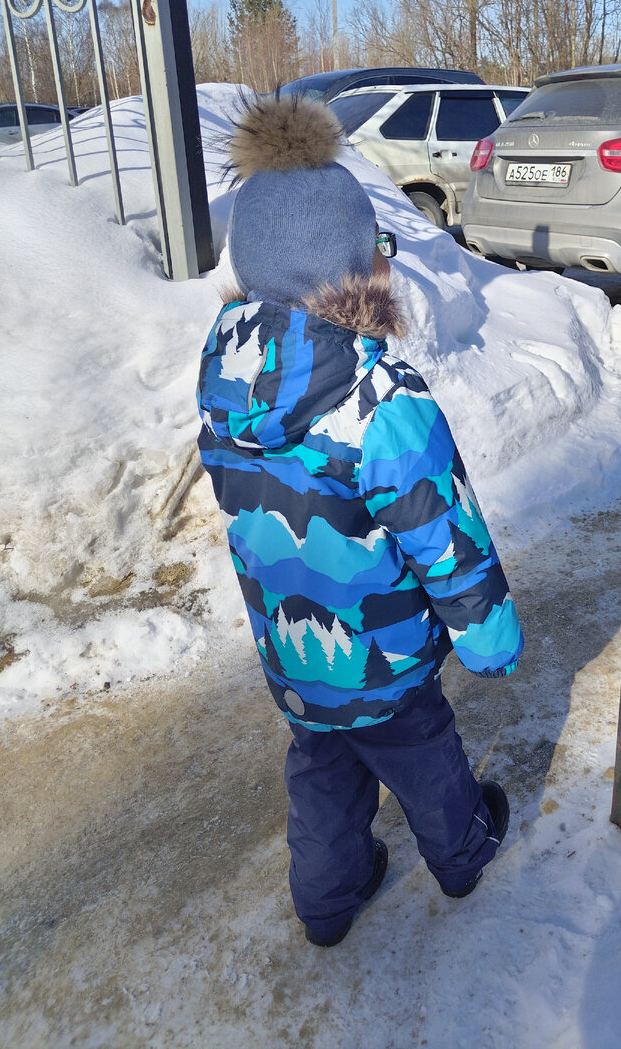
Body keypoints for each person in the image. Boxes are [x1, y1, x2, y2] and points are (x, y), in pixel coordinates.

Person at [196, 94, 524, 947]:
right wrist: (489, 638)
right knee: (429, 764)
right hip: (386, 665)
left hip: (297, 660)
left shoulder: (224, 394)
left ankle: (327, 903)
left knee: (322, 775)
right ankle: (462, 856)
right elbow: (443, 534)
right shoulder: (381, 404)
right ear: (361, 269)